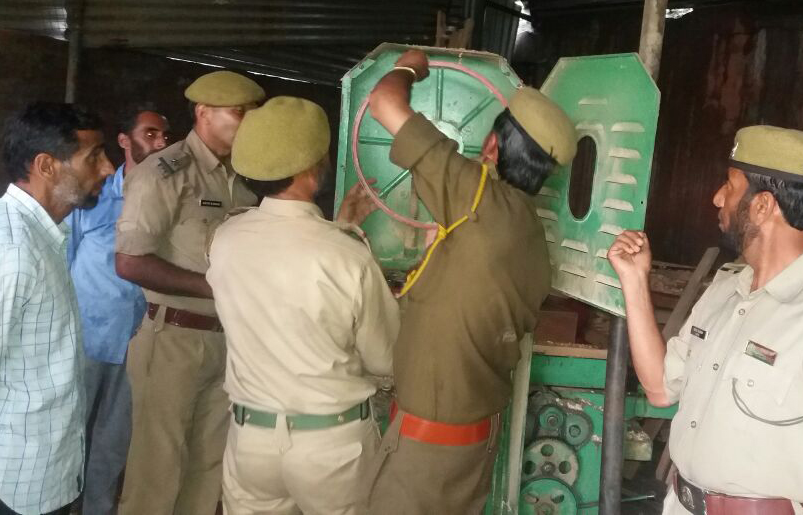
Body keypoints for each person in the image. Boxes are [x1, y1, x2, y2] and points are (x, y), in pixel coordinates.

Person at [607, 126, 803, 515]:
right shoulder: (726, 288)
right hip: (679, 504)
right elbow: (660, 388)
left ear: (762, 206)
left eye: (730, 187)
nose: (717, 197)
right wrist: (634, 281)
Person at [363, 49, 577, 513]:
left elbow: (383, 101)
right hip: (473, 441)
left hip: (426, 449)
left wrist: (409, 66)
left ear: (493, 148)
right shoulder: (530, 235)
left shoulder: (477, 198)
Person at [207, 96, 398, 515]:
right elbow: (385, 357)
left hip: (249, 443)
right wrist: (343, 235)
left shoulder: (225, 240)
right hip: (332, 449)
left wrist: (340, 227)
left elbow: (284, 267)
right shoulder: (347, 255)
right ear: (312, 170)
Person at [113, 70, 264, 515]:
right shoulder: (164, 173)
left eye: (252, 112)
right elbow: (130, 261)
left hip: (227, 340)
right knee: (156, 474)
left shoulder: (243, 177)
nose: (247, 121)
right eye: (239, 112)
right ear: (203, 113)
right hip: (174, 340)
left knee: (207, 471)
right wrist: (217, 288)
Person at [0, 102, 115, 514]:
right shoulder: (14, 250)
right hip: (11, 487)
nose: (108, 168)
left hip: (41, 475)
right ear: (46, 165)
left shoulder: (41, 235)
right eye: (93, 156)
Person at [65, 103, 169, 514]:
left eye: (163, 135)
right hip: (88, 339)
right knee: (70, 435)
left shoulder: (167, 197)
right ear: (124, 141)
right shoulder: (90, 198)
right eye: (150, 134)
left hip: (137, 341)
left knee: (114, 440)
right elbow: (64, 260)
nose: (160, 142)